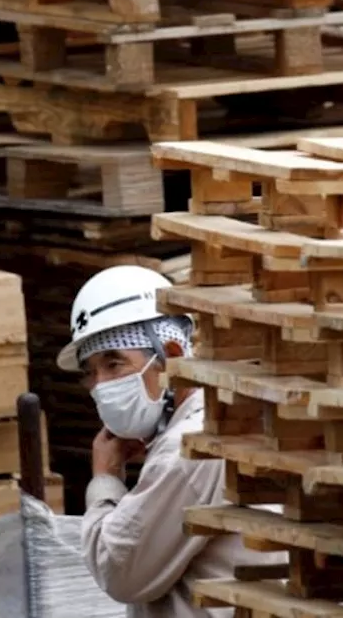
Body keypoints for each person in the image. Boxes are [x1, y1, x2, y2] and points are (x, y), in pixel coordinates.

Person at [57, 265, 284, 618]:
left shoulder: (189, 449)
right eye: (91, 372)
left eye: (114, 364)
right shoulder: (221, 415)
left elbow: (118, 569)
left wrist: (106, 476)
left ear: (172, 355)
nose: (100, 385)